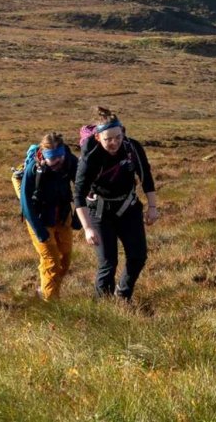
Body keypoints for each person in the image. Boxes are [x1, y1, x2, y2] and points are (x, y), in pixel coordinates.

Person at [74, 107, 158, 301]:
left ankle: (123, 293)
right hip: (100, 212)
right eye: (108, 139)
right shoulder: (91, 156)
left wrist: (152, 207)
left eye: (118, 137)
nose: (114, 143)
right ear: (98, 138)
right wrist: (87, 228)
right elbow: (78, 194)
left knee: (138, 256)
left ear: (123, 132)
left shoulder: (133, 148)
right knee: (108, 263)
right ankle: (102, 309)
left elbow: (146, 177)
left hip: (128, 208)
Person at [14, 131, 76, 300]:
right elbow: (25, 202)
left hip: (62, 217)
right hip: (39, 219)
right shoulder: (34, 169)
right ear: (43, 156)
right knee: (51, 260)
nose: (58, 161)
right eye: (53, 158)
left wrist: (78, 215)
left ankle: (45, 289)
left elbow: (81, 185)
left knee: (65, 258)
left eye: (60, 156)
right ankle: (51, 303)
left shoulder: (69, 161)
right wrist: (40, 231)